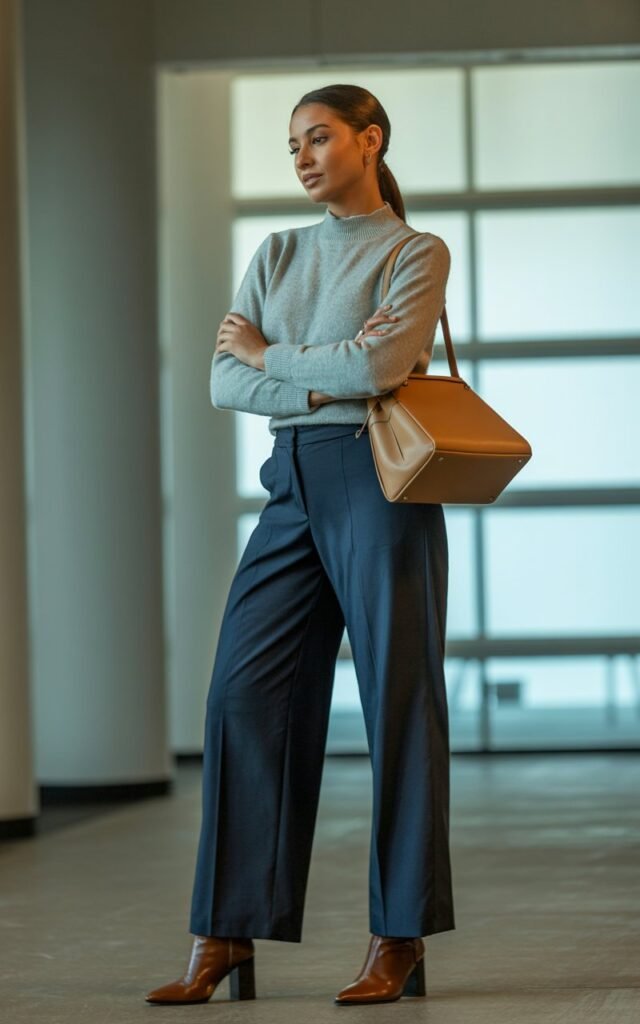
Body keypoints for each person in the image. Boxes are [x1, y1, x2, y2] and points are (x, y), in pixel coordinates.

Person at [145, 82, 455, 1008]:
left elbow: (375, 368)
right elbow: (218, 382)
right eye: (292, 147)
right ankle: (226, 932)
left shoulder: (414, 251)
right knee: (243, 696)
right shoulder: (278, 253)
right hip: (292, 484)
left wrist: (277, 358)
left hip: (383, 482)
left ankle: (397, 937)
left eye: (318, 138)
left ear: (371, 139)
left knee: (399, 702)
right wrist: (321, 381)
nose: (304, 157)